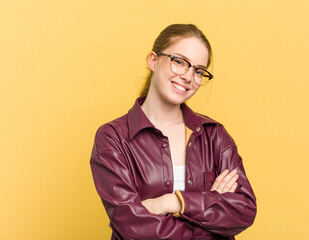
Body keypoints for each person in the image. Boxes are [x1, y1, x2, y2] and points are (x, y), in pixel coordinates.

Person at [90, 23, 257, 240]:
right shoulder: (113, 138)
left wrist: (175, 202)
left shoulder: (214, 135)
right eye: (179, 62)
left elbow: (244, 211)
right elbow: (131, 226)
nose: (188, 76)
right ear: (153, 60)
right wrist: (211, 209)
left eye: (198, 71)